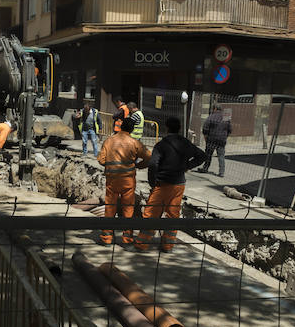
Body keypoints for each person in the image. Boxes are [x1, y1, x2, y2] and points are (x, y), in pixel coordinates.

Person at [140, 116, 207, 252]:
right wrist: (187, 166)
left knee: (151, 213)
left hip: (162, 184)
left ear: (166, 128)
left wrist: (152, 182)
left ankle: (143, 244)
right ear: (179, 128)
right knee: (172, 214)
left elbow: (153, 164)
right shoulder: (185, 143)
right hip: (178, 185)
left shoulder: (161, 145)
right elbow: (202, 156)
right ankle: (168, 245)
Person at [96, 116, 151, 245]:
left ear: (121, 127)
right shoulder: (135, 143)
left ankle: (106, 238)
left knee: (110, 208)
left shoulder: (109, 140)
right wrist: (139, 165)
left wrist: (112, 164)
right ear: (132, 129)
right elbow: (149, 156)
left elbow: (101, 160)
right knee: (128, 209)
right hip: (128, 181)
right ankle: (127, 239)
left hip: (112, 180)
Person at [197, 104, 232, 177]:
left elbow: (205, 128)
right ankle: (221, 172)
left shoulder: (211, 116)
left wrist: (206, 138)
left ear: (215, 109)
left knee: (208, 154)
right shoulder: (226, 117)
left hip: (211, 139)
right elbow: (230, 130)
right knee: (221, 156)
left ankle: (205, 168)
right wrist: (225, 137)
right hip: (221, 140)